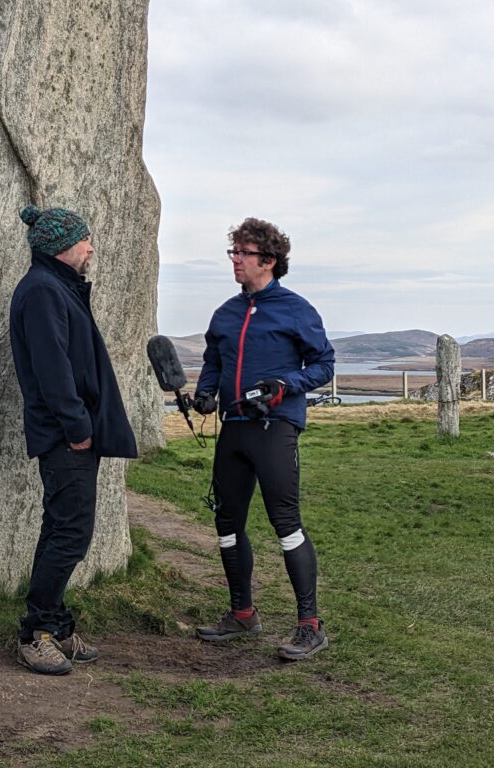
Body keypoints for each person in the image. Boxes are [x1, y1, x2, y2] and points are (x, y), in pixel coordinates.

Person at [193, 217, 335, 660]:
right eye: (232, 252)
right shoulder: (225, 314)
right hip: (233, 429)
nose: (235, 260)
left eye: (243, 253)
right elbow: (214, 362)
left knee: (285, 523)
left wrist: (284, 385)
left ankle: (310, 626)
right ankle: (242, 614)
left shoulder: (295, 309)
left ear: (268, 261)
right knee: (227, 523)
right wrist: (204, 394)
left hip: (275, 429)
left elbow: (324, 365)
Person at [9, 204, 138, 675]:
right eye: (85, 241)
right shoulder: (44, 291)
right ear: (64, 246)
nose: (91, 248)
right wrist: (78, 428)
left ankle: (56, 625)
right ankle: (35, 632)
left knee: (63, 529)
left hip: (68, 435)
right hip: (66, 437)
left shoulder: (55, 287)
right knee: (70, 534)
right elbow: (52, 368)